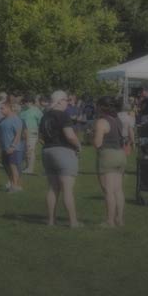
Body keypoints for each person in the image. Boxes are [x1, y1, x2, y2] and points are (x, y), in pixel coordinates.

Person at [39, 90, 82, 227]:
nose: (68, 103)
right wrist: (79, 145)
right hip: (63, 151)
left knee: (52, 188)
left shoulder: (45, 116)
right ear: (59, 101)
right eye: (66, 100)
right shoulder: (63, 115)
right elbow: (70, 136)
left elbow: (41, 137)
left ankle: (51, 220)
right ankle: (73, 222)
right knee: (67, 190)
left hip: (47, 151)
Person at [91, 96, 128, 228]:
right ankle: (120, 219)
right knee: (118, 190)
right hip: (120, 154)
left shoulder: (101, 122)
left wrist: (91, 136)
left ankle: (110, 221)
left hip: (107, 155)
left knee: (108, 191)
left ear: (101, 107)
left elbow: (97, 143)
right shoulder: (117, 120)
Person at [0, 100, 24, 193]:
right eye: (0, 108)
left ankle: (15, 186)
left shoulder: (15, 119)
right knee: (6, 167)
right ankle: (12, 183)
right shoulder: (2, 120)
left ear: (8, 108)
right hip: (4, 148)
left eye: (2, 108)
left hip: (13, 148)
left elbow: (18, 134)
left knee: (13, 167)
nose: (1, 110)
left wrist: (12, 146)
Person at [21, 96, 43, 176]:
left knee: (30, 150)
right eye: (25, 102)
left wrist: (40, 135)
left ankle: (30, 168)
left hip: (32, 132)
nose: (26, 104)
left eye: (28, 102)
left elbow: (41, 122)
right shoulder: (23, 110)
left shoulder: (36, 111)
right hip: (23, 133)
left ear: (31, 102)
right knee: (25, 150)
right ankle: (27, 166)